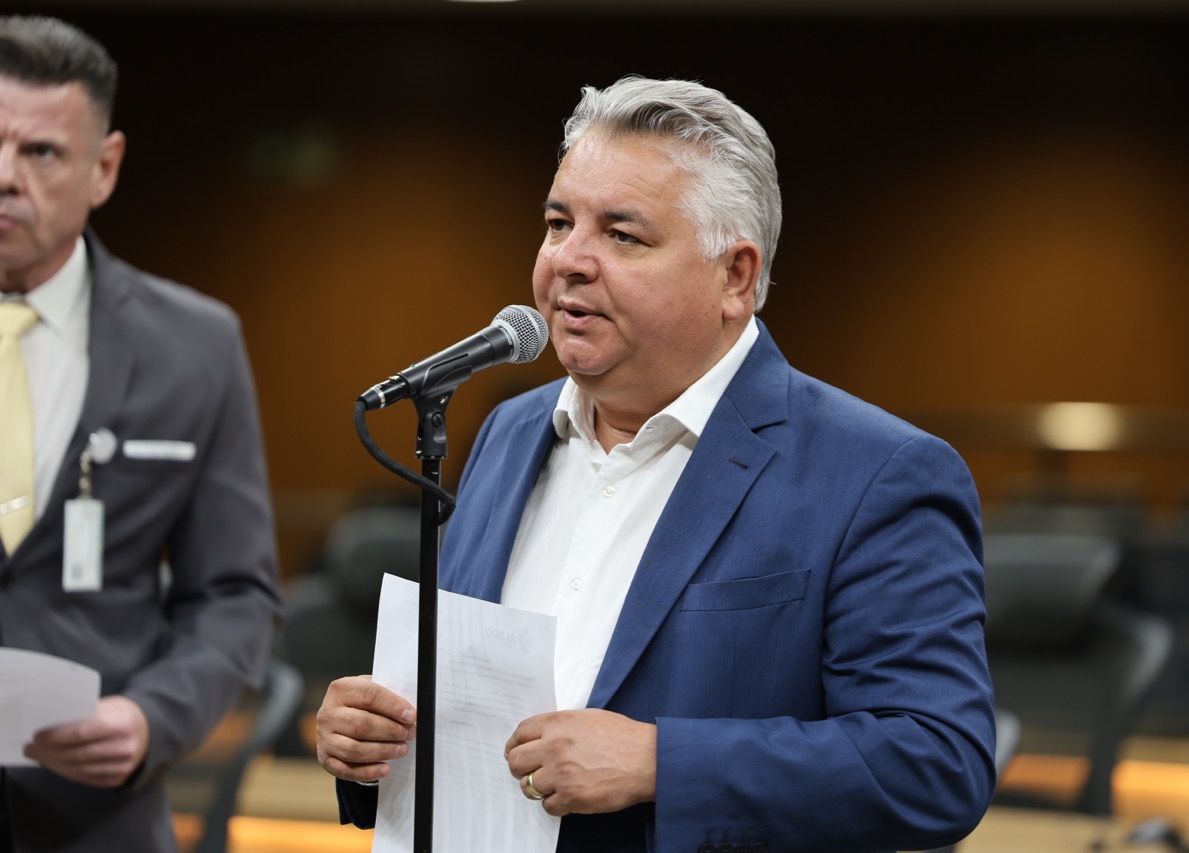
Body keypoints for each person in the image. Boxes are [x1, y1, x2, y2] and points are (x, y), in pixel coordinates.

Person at [316, 75, 994, 853]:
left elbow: (937, 761)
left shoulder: (878, 473)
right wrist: (369, 744)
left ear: (735, 276)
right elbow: (467, 708)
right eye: (558, 222)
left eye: (622, 235)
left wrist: (661, 762)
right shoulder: (508, 432)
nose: (569, 259)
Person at [0, 16, 280, 853]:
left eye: (40, 152)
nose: (6, 177)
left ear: (104, 167)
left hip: (91, 816)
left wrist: (152, 715)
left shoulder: (195, 345)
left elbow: (234, 593)